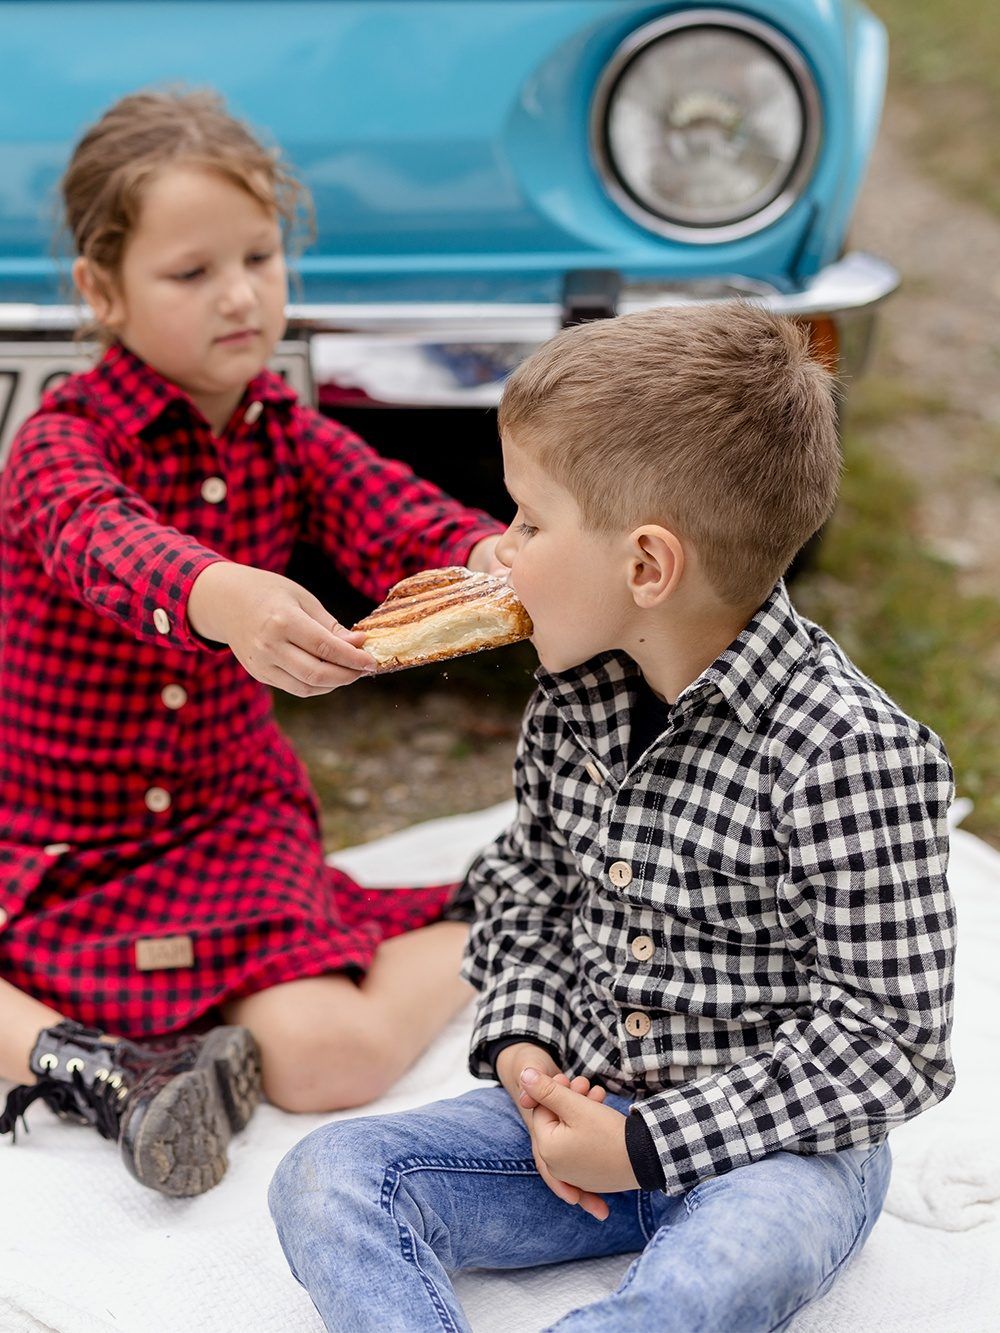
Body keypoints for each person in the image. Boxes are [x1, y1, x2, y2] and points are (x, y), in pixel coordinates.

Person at [268, 304, 957, 1331]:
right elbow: (528, 887)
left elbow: (890, 1041)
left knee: (716, 1274)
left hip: (772, 1150)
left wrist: (642, 1148)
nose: (497, 556)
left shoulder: (847, 752)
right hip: (579, 1111)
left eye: (529, 524)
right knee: (327, 1178)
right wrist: (523, 1048)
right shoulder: (574, 697)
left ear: (646, 567)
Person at [0, 89, 505, 1197]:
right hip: (55, 836)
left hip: (231, 823)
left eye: (261, 257)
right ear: (102, 292)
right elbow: (97, 535)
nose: (240, 294)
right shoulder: (58, 441)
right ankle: (98, 1069)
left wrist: (488, 557)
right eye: (191, 273)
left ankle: (510, 903)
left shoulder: (290, 433)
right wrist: (222, 594)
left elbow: (404, 518)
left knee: (331, 1057)